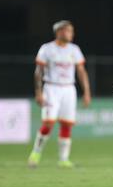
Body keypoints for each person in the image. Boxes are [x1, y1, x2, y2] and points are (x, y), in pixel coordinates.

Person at [28, 20, 91, 168]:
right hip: (51, 88)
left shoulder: (74, 49)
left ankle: (63, 159)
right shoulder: (47, 49)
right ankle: (35, 153)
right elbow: (38, 71)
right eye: (68, 31)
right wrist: (38, 92)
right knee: (48, 122)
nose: (71, 34)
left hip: (69, 89)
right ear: (59, 32)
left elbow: (81, 71)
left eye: (72, 31)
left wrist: (87, 92)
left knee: (67, 124)